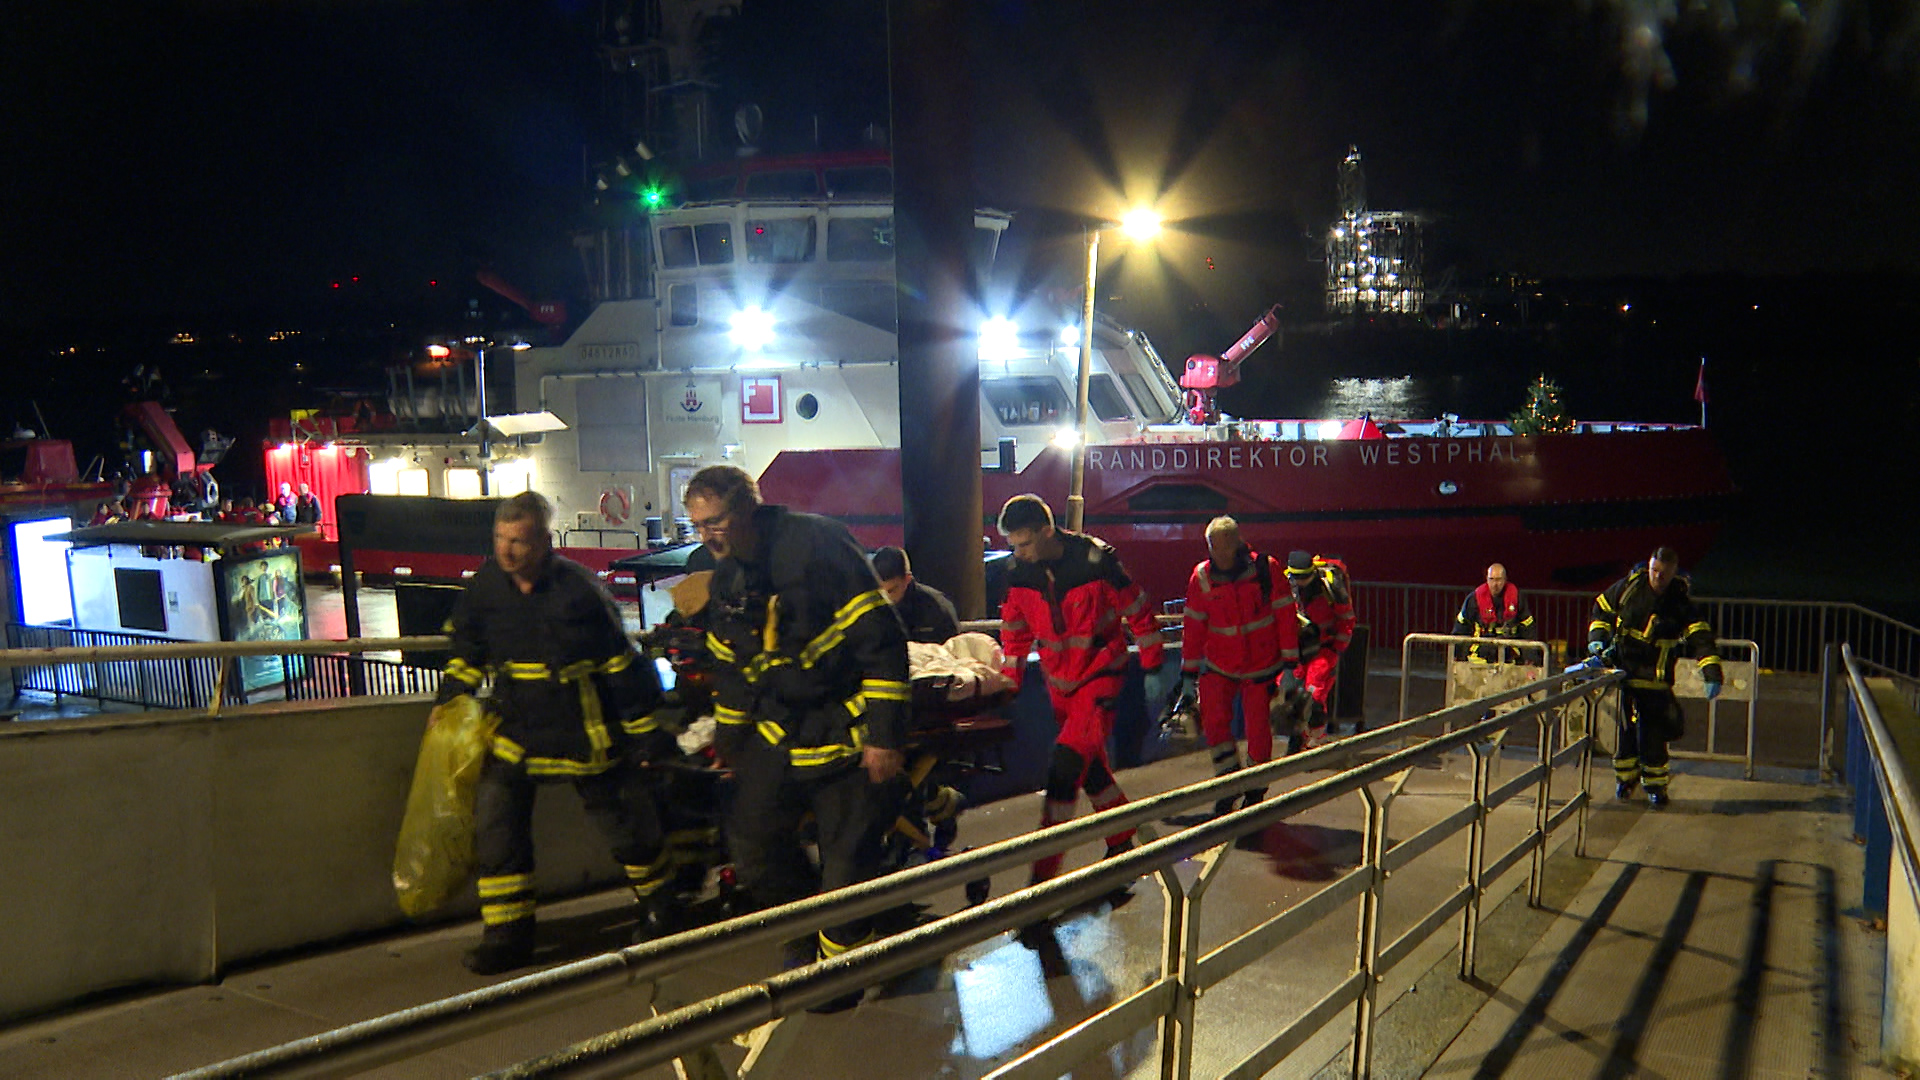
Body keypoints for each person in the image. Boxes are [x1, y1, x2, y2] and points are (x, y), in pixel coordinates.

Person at [683, 465, 909, 1004]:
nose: (707, 536)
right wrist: (730, 746)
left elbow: (881, 643)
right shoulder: (727, 577)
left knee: (848, 857)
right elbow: (733, 670)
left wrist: (885, 737)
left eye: (715, 522)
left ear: (748, 510)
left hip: (846, 732)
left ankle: (839, 970)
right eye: (697, 526)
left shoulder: (818, 544)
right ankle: (803, 933)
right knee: (752, 839)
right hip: (780, 732)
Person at [435, 491, 676, 974]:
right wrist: (451, 697)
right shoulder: (486, 587)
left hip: (584, 731)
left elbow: (623, 669)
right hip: (516, 732)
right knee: (497, 830)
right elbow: (467, 644)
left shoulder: (581, 592)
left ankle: (662, 910)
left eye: (519, 541)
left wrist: (647, 738)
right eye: (501, 540)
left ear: (544, 542)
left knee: (624, 827)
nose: (507, 552)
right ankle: (507, 934)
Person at [997, 494, 1165, 885]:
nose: (1018, 553)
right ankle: (1123, 840)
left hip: (1100, 676)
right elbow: (1015, 633)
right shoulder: (1018, 573)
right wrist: (1011, 681)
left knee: (1065, 768)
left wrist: (1154, 662)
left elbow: (1137, 609)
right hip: (1060, 686)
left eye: (1023, 543)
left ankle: (1041, 881)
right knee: (1091, 773)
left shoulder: (1096, 560)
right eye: (1013, 545)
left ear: (1046, 531)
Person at [1179, 517, 1299, 817]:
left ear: (1237, 543)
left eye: (1224, 547)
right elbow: (1193, 627)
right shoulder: (1202, 577)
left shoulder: (1265, 569)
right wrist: (1187, 675)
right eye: (1213, 548)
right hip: (1219, 664)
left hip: (1260, 666)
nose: (1219, 554)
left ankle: (1255, 790)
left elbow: (1285, 617)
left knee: (1258, 728)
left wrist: (1289, 668)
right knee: (1214, 721)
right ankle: (1228, 781)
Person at [1588, 546, 1722, 809]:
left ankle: (1656, 787)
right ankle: (1626, 780)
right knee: (1625, 734)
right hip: (1625, 673)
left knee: (1654, 736)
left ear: (1674, 572)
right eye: (1654, 571)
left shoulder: (1679, 601)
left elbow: (1701, 639)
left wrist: (1711, 672)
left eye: (1664, 573)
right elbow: (1601, 610)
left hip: (1656, 677)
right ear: (1649, 566)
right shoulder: (1629, 588)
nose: (1658, 577)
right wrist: (1597, 641)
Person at [1282, 550, 1356, 751]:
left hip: (1323, 649)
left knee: (1314, 696)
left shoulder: (1330, 586)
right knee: (1291, 695)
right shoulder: (1284, 585)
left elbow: (1346, 618)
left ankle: (1314, 739)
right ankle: (1301, 736)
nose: (1301, 582)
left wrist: (1337, 647)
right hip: (1296, 650)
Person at [871, 545, 961, 645]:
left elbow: (953, 650)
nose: (886, 598)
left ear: (907, 579)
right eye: (880, 592)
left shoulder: (937, 608)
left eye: (892, 590)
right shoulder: (869, 607)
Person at [1452, 562, 1537, 663]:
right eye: (1491, 579)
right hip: (1481, 650)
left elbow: (1528, 628)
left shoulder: (1517, 598)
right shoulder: (1474, 599)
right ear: (1486, 579)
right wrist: (1457, 654)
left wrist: (1530, 657)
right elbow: (1461, 626)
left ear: (1505, 580)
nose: (1495, 584)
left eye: (1498, 580)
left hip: (1509, 650)